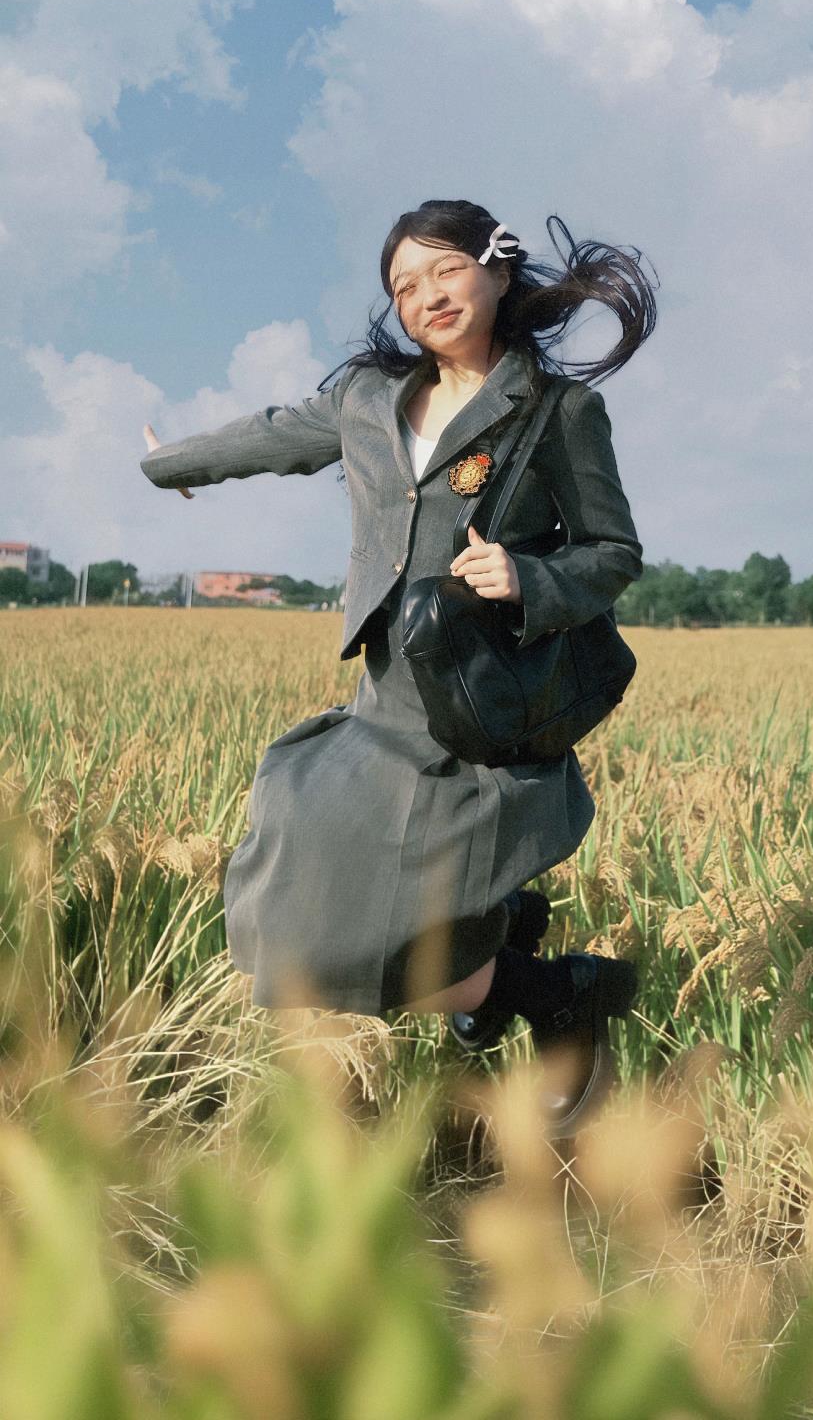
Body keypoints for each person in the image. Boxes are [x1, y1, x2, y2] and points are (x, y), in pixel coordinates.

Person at [140, 200, 657, 1137]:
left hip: (479, 708)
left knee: (419, 962)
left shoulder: (557, 413)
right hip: (384, 700)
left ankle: (558, 993)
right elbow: (273, 434)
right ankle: (509, 952)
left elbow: (613, 552)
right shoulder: (367, 400)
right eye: (404, 286)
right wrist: (171, 465)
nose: (427, 296)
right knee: (307, 888)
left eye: (445, 270)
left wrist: (528, 577)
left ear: (498, 270)